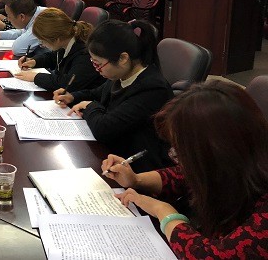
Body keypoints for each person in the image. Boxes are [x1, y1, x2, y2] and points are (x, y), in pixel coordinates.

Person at [103, 81, 268, 259]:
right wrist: (136, 179)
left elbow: (209, 256)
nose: (177, 158)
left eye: (182, 152)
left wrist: (164, 212)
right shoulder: (237, 165)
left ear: (218, 151)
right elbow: (183, 176)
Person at [54, 19, 173, 171]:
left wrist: (90, 106)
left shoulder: (153, 89)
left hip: (136, 166)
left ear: (123, 58)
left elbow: (103, 129)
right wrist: (72, 97)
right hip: (112, 152)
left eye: (98, 64)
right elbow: (96, 93)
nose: (97, 69)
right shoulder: (123, 73)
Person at [14, 8, 104, 92]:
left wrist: (36, 77)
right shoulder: (67, 40)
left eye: (43, 41)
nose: (42, 45)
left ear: (57, 39)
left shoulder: (85, 54)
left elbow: (67, 83)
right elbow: (54, 57)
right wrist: (35, 61)